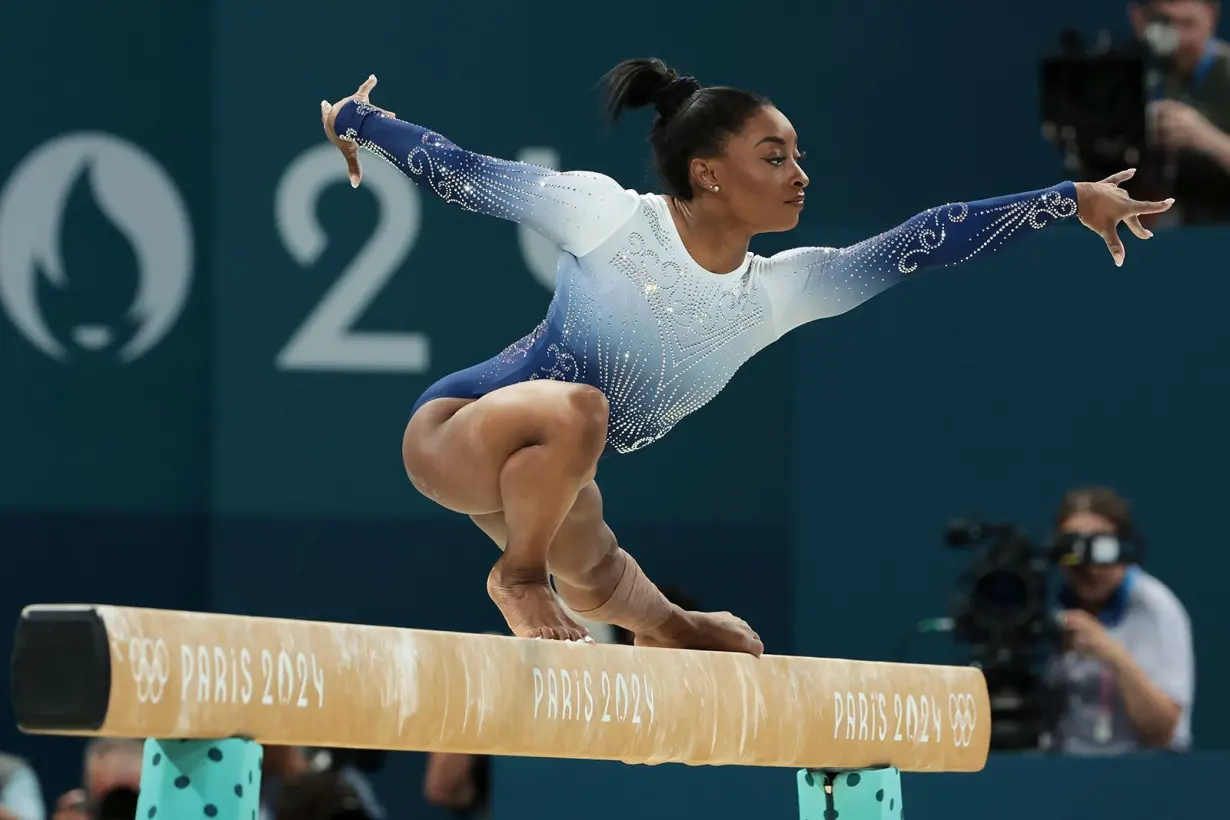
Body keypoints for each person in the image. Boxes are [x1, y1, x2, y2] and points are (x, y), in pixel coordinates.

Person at [317, 60, 1174, 650]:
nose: (800, 173)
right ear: (709, 173)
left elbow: (924, 239)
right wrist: (357, 119)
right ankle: (517, 575)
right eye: (774, 156)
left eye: (798, 155)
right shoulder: (610, 217)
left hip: (550, 472)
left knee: (601, 566)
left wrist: (1065, 200)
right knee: (578, 413)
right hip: (457, 431)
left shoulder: (779, 293)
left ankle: (673, 629)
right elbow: (463, 173)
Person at [1044, 486, 1194, 754]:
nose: (1090, 568)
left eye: (1101, 547)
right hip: (1067, 774)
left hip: (1141, 776)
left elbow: (1162, 731)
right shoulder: (1048, 608)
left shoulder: (1155, 607)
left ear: (1123, 548)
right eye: (1074, 548)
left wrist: (1112, 654)